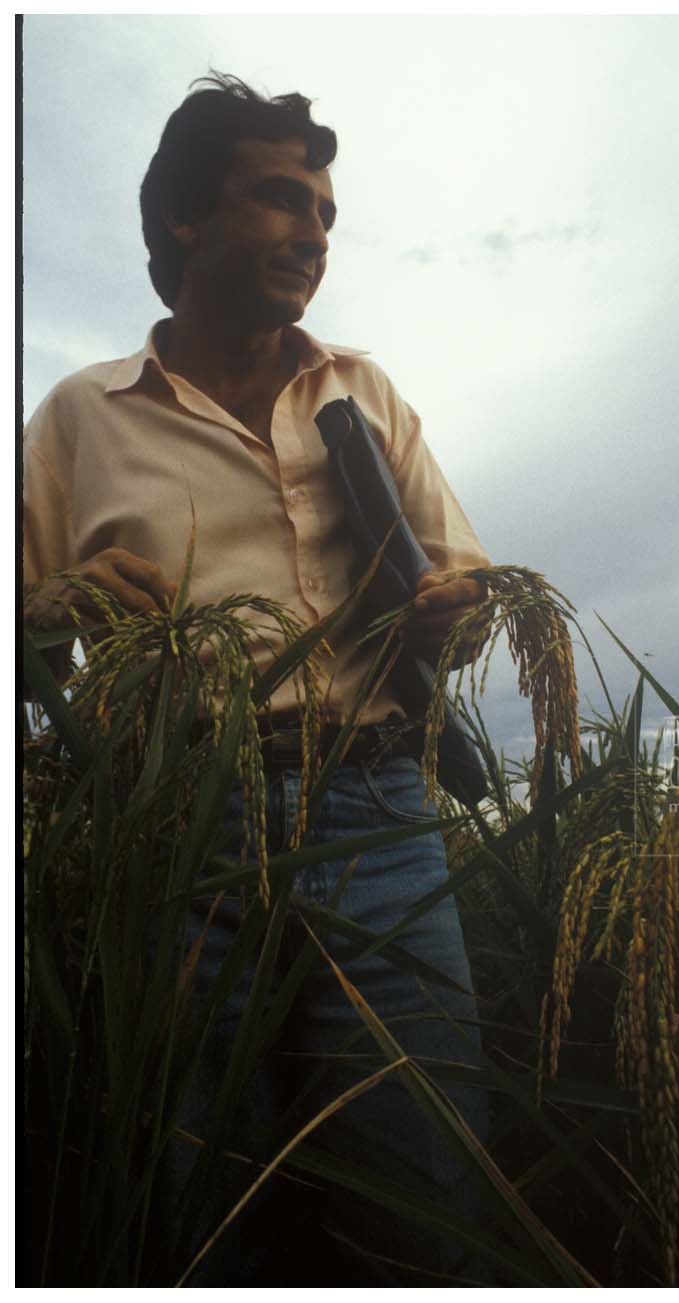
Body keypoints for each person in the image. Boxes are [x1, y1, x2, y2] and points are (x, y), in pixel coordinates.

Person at [23, 73, 491, 1285]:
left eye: (325, 214)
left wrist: (455, 613)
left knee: (427, 1180)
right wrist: (52, 611)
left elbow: (464, 585)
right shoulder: (76, 421)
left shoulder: (363, 396)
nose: (313, 234)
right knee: (193, 1183)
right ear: (185, 216)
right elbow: (26, 661)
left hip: (377, 811)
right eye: (281, 200)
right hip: (178, 825)